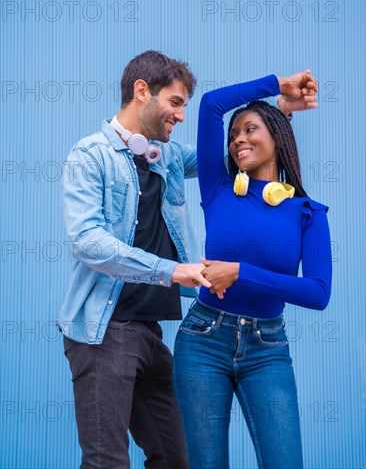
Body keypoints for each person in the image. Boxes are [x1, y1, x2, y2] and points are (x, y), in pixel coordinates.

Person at [57, 50, 212, 469]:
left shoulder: (169, 156)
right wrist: (171, 270)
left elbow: (228, 154)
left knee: (176, 458)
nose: (181, 116)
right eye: (176, 103)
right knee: (107, 461)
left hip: (149, 332)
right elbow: (88, 241)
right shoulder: (90, 156)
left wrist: (281, 109)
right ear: (142, 91)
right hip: (105, 332)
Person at [173, 71, 332, 469]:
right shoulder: (217, 188)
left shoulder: (308, 213)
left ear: (277, 135)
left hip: (267, 349)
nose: (238, 139)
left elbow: (317, 293)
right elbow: (211, 104)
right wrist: (278, 84)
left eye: (251, 129)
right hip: (202, 341)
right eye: (234, 134)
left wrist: (242, 271)